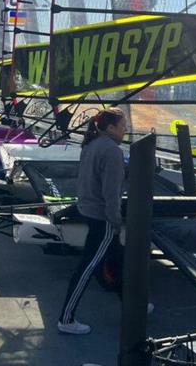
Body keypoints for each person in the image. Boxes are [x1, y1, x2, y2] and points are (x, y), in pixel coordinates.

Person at [57, 108, 128, 335]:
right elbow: (111, 192)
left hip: (88, 210)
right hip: (103, 218)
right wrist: (115, 222)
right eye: (123, 125)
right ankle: (66, 319)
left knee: (118, 260)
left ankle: (134, 304)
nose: (126, 129)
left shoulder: (90, 145)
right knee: (87, 268)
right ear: (110, 128)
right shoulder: (112, 152)